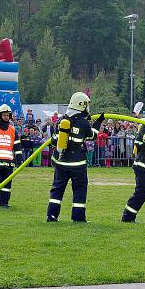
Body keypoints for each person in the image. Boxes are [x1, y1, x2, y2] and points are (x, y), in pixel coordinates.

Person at [46, 92, 104, 222]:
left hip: (61, 162)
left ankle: (51, 216)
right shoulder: (83, 123)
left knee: (57, 189)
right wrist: (98, 122)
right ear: (82, 105)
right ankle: (78, 218)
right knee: (79, 189)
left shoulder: (61, 120)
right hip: (77, 164)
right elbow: (92, 136)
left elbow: (54, 141)